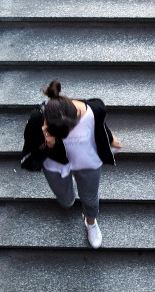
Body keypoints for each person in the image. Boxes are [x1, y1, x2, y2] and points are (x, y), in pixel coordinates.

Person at [22, 79, 121, 248]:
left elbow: (101, 127)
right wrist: (48, 143)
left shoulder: (93, 110)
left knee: (90, 199)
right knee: (66, 201)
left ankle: (91, 222)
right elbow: (29, 156)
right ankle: (70, 192)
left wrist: (110, 140)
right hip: (56, 165)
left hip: (87, 162)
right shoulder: (37, 118)